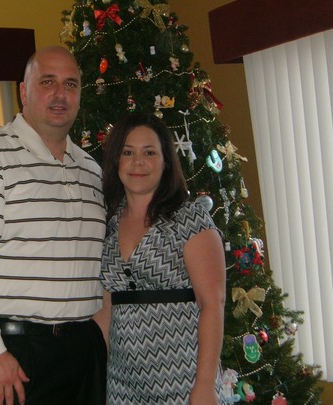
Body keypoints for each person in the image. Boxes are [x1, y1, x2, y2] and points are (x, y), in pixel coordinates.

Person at [0, 46, 107, 405]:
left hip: (83, 353)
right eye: (48, 82)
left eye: (71, 84)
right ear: (24, 92)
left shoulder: (92, 170)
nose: (60, 94)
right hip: (13, 354)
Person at [99, 112, 226, 404]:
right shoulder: (109, 224)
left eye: (149, 152)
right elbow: (106, 309)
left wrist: (205, 384)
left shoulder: (190, 219)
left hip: (184, 382)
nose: (138, 162)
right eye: (128, 152)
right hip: (122, 387)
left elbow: (213, 304)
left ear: (166, 161)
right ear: (116, 160)